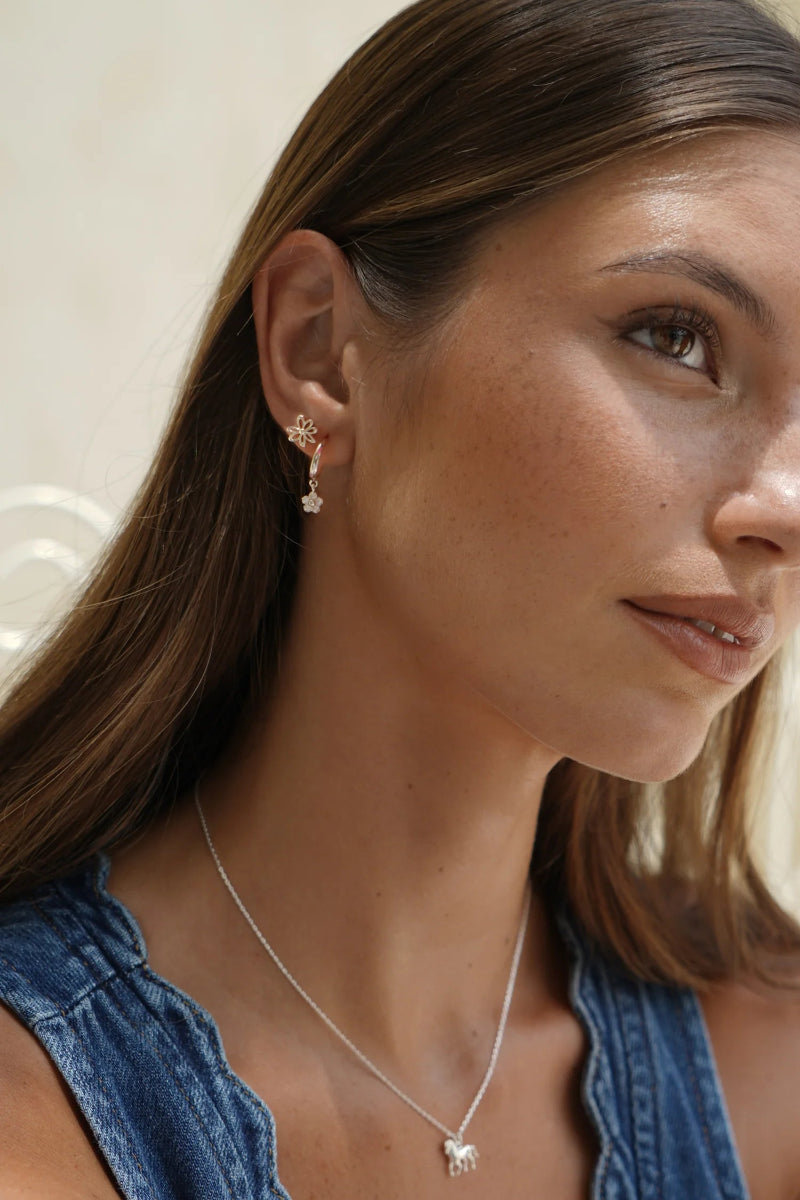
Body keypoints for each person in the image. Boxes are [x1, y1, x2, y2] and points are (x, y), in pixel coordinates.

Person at [2, 0, 800, 1195]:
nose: (782, 508)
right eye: (675, 336)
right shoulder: (32, 1123)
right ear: (320, 349)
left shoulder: (774, 1078)